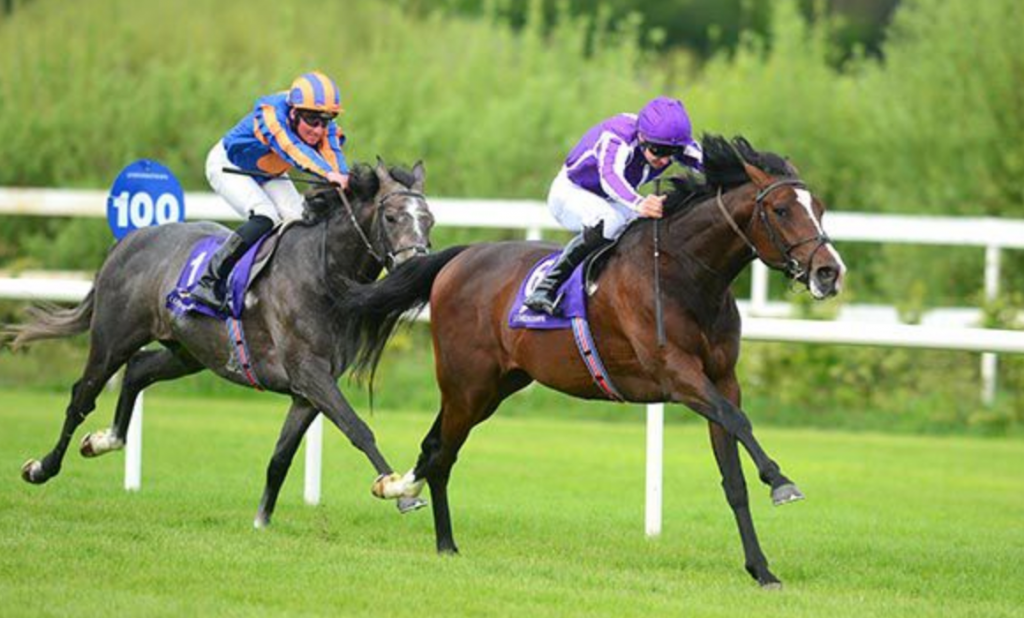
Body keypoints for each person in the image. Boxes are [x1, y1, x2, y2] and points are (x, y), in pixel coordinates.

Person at [524, 96, 704, 315]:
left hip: (611, 200)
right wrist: (639, 203)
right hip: (571, 193)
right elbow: (610, 177)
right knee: (610, 222)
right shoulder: (617, 136)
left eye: (672, 153)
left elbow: (708, 161)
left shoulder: (669, 140)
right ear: (642, 137)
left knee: (650, 228)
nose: (665, 160)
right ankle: (546, 287)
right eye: (658, 151)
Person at [190, 70, 351, 312]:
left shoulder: (320, 123)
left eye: (324, 121)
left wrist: (342, 176)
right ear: (294, 113)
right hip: (229, 165)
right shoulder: (271, 115)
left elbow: (333, 154)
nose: (318, 130)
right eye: (311, 120)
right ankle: (210, 280)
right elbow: (292, 149)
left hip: (268, 172)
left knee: (299, 222)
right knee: (266, 217)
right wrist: (328, 174)